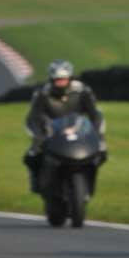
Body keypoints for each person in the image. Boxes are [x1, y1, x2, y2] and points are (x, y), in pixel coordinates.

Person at [23, 59, 107, 193]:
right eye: (57, 80)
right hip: (52, 134)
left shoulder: (82, 91)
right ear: (51, 79)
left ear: (70, 78)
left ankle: (88, 185)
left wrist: (98, 135)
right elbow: (33, 118)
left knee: (101, 154)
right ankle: (38, 184)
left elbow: (95, 114)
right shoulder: (42, 94)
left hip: (79, 134)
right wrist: (38, 137)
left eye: (63, 79)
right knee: (31, 156)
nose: (61, 82)